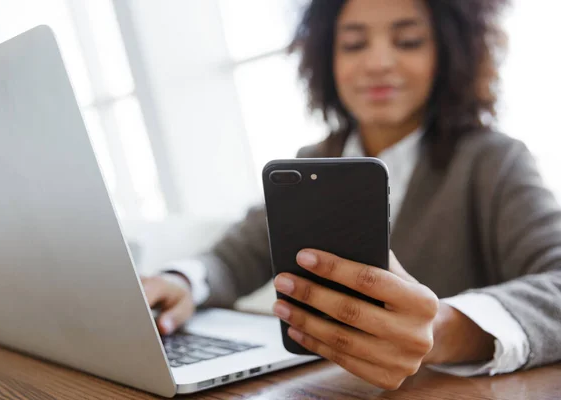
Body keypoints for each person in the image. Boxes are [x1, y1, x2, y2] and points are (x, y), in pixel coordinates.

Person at [141, 0, 561, 390]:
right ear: (328, 59)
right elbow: (233, 258)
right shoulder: (313, 161)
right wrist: (182, 280)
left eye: (408, 41)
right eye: (354, 43)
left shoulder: (492, 160)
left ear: (448, 53)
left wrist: (448, 329)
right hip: (328, 387)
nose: (377, 63)